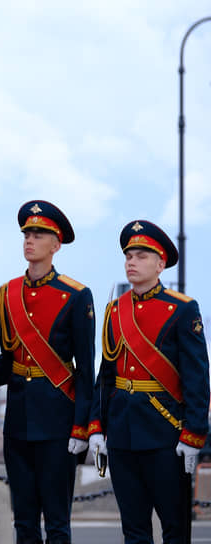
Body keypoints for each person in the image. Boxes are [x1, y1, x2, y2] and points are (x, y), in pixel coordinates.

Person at [0, 200, 94, 544]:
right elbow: (10, 360)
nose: (29, 239)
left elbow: (86, 370)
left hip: (59, 422)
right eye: (26, 233)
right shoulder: (6, 293)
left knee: (57, 524)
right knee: (24, 523)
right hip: (18, 423)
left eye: (39, 234)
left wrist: (82, 428)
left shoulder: (75, 295)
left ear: (55, 245)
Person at [88, 220, 209, 543]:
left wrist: (193, 434)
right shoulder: (115, 310)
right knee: (134, 530)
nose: (131, 262)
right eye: (129, 256)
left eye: (141, 256)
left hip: (167, 436)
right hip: (123, 435)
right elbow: (107, 376)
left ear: (160, 263)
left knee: (175, 528)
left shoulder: (183, 310)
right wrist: (96, 426)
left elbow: (198, 378)